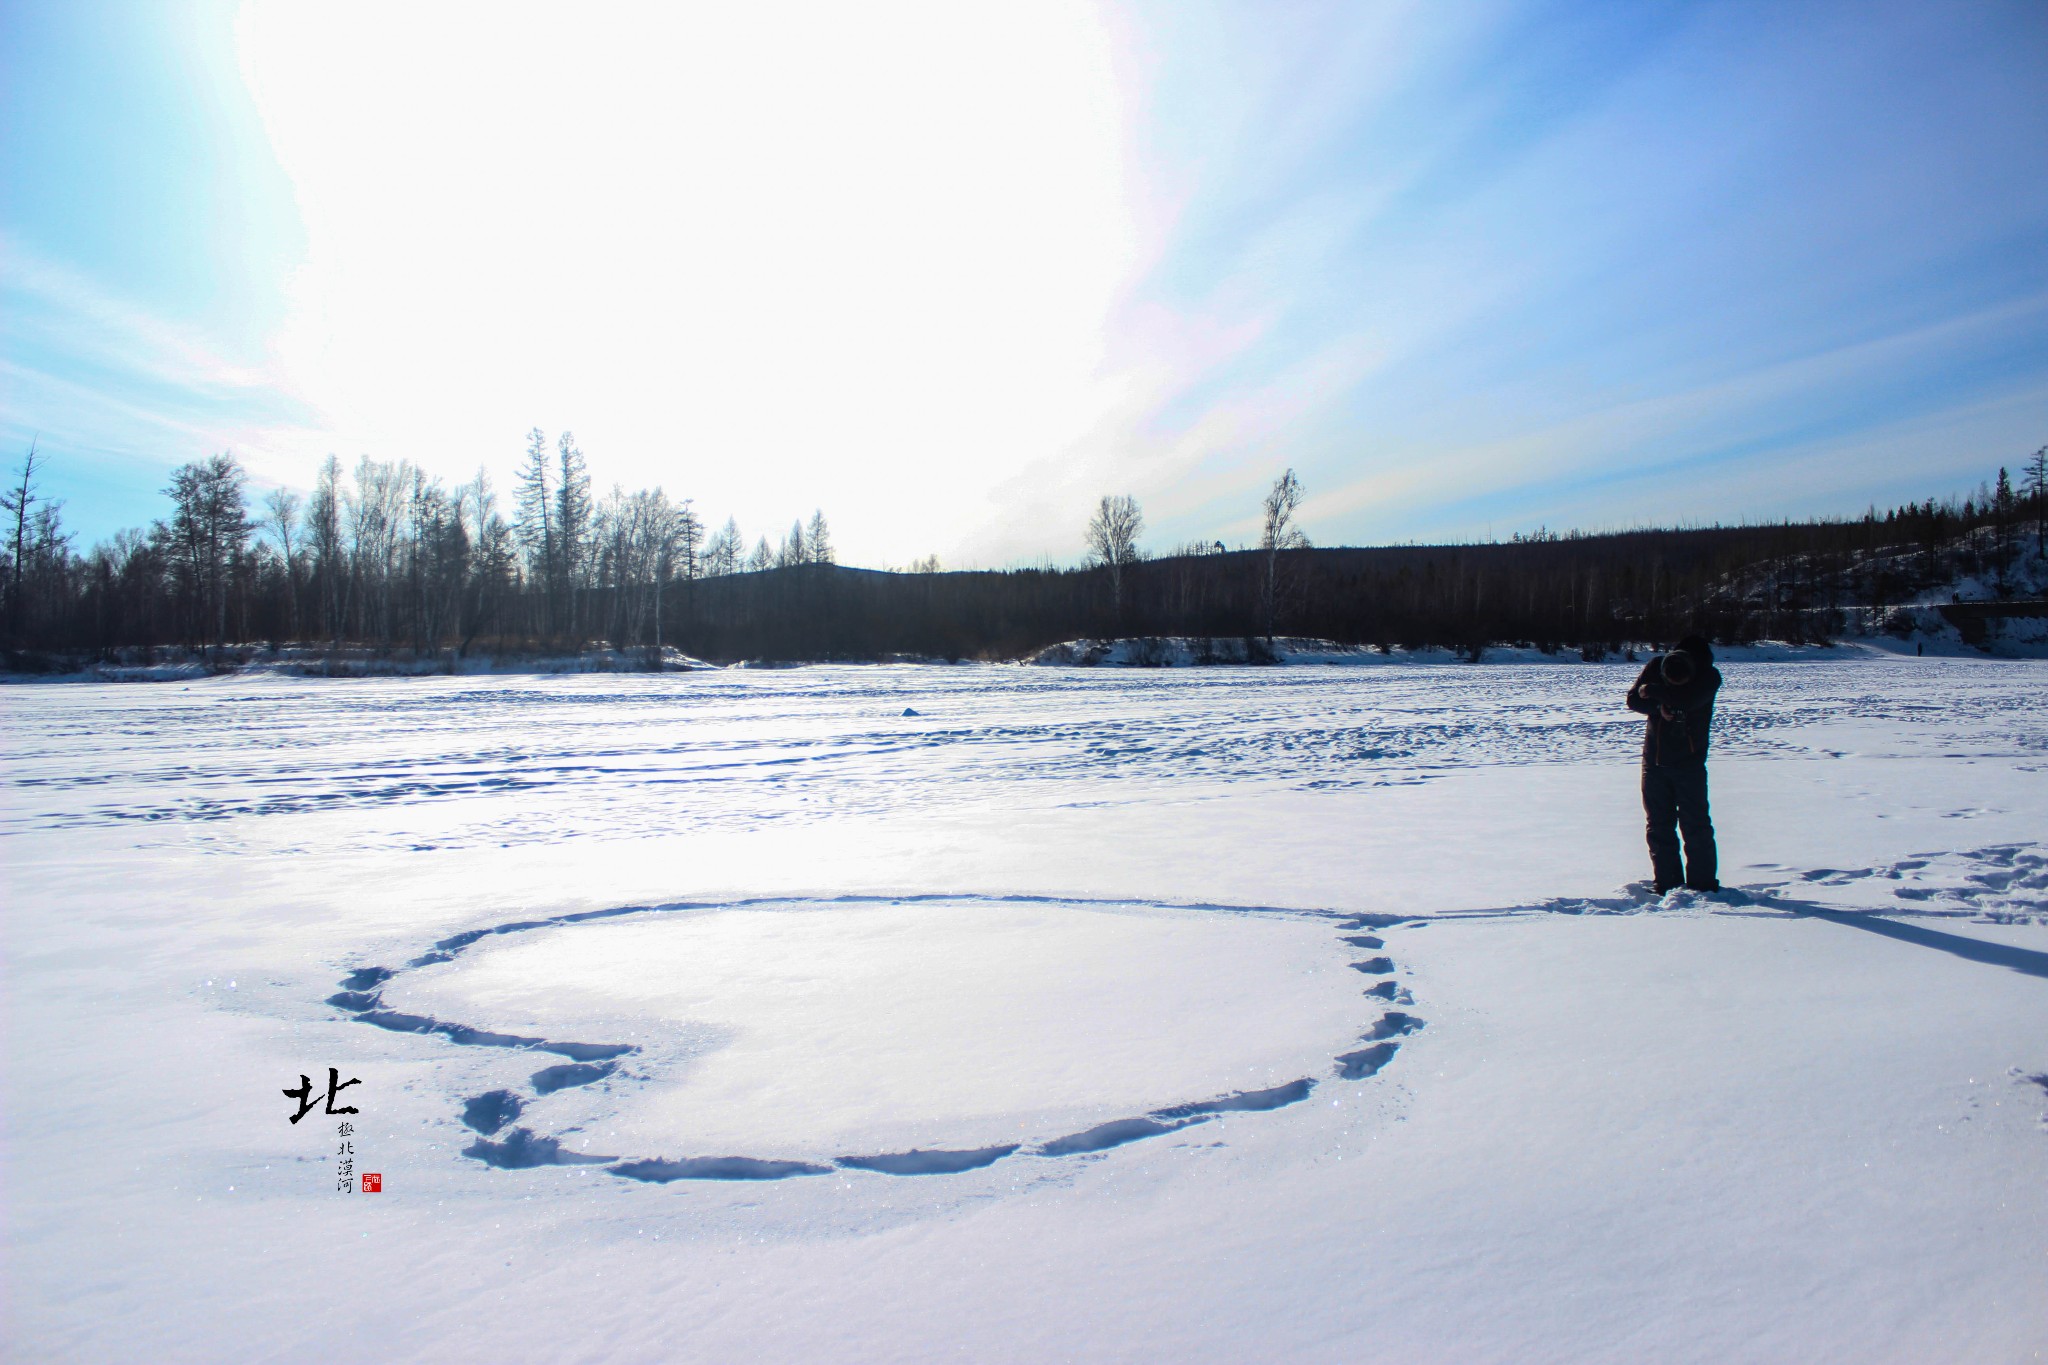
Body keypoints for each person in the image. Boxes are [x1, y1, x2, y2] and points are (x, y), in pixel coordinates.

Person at [1625, 634, 1722, 893]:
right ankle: (1667, 883)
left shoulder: (1709, 676)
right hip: (1654, 761)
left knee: (1696, 824)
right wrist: (1658, 708)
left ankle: (1703, 885)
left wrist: (1653, 692)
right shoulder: (1657, 666)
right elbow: (1633, 700)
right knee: (1659, 825)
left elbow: (1687, 701)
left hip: (1689, 763)